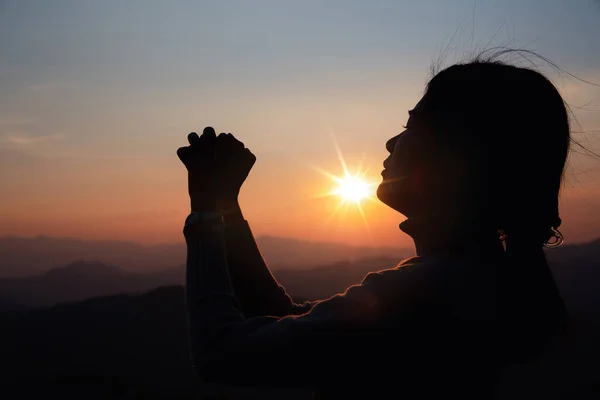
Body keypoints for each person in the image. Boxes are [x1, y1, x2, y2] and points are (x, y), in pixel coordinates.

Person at [176, 58, 570, 398]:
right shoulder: (477, 277)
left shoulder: (423, 293)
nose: (390, 141)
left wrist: (206, 210)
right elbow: (284, 318)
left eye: (411, 126)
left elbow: (221, 354)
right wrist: (227, 207)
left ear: (456, 154)